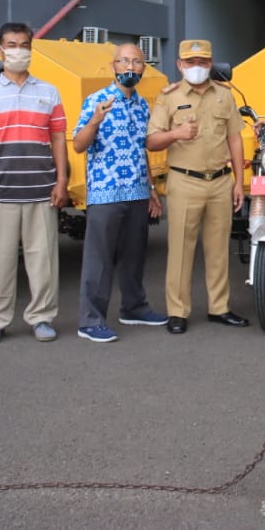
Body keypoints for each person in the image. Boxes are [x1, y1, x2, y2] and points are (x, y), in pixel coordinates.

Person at [0, 23, 68, 346]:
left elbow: (58, 140)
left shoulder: (49, 92)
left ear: (31, 49)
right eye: (11, 45)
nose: (18, 51)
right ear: (0, 50)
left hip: (41, 190)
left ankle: (42, 317)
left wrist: (62, 180)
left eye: (24, 44)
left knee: (44, 260)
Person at [147, 38, 247, 335]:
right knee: (180, 250)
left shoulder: (224, 96)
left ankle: (220, 307)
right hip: (184, 180)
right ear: (180, 65)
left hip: (219, 181)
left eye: (203, 62)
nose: (197, 67)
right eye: (190, 62)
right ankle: (177, 311)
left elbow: (235, 139)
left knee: (218, 250)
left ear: (210, 64)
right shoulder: (169, 97)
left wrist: (239, 181)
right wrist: (177, 133)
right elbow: (152, 141)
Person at [72, 43, 168, 343]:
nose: (130, 67)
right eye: (124, 61)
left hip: (138, 190)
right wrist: (94, 121)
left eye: (136, 62)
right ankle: (90, 320)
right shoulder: (96, 101)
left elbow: (142, 151)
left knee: (134, 255)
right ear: (113, 66)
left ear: (143, 68)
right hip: (105, 192)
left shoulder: (142, 105)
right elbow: (78, 144)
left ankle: (134, 308)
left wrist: (152, 189)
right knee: (99, 258)